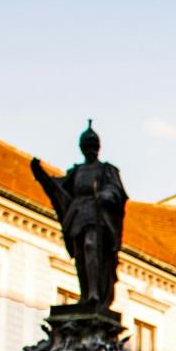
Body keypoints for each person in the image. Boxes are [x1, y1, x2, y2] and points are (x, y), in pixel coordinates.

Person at [30, 122, 127, 313]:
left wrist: (107, 194)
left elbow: (116, 190)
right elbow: (58, 188)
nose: (91, 151)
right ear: (82, 149)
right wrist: (40, 174)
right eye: (87, 147)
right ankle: (85, 295)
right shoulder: (76, 171)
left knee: (92, 247)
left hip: (97, 215)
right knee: (81, 254)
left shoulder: (106, 170)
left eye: (94, 147)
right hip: (78, 215)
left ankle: (94, 293)